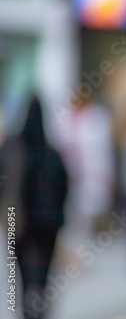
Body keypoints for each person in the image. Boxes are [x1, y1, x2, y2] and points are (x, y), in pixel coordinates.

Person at [0, 98, 68, 319]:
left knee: (23, 273)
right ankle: (38, 310)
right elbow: (64, 187)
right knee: (42, 273)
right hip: (48, 224)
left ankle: (28, 310)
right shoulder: (52, 154)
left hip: (18, 223)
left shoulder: (12, 150)